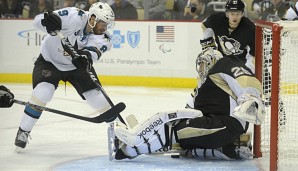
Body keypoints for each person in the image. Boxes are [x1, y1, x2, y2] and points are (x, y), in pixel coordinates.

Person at [112, 48, 265, 160]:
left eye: (205, 64)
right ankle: (227, 149)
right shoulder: (201, 88)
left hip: (227, 124)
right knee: (174, 124)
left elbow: (247, 80)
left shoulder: (223, 65)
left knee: (174, 130)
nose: (201, 69)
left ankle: (131, 149)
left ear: (213, 61)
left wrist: (251, 100)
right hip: (216, 125)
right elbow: (188, 111)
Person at [14, 2, 115, 152]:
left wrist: (86, 57)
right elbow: (37, 21)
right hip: (49, 62)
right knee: (43, 92)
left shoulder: (104, 37)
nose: (105, 27)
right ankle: (24, 130)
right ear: (93, 18)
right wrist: (47, 22)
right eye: (103, 23)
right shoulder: (73, 16)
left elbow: (93, 51)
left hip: (77, 66)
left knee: (96, 96)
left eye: (107, 24)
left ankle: (120, 132)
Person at [200, 0, 256, 73]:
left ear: (242, 14)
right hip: (222, 62)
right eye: (232, 14)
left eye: (238, 14)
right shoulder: (217, 20)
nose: (235, 17)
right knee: (206, 61)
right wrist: (209, 47)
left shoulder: (250, 28)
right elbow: (205, 26)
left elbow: (252, 55)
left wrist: (247, 71)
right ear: (227, 14)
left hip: (240, 64)